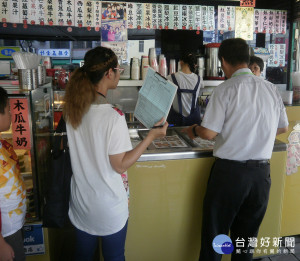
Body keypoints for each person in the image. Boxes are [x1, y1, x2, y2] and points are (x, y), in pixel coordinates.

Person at [183, 38, 289, 261]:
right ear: (248, 59)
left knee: (217, 237)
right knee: (245, 242)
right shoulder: (270, 88)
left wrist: (194, 129)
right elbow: (282, 128)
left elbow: (209, 133)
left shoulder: (225, 89)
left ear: (223, 61)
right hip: (261, 177)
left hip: (230, 176)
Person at [63, 46, 167, 261]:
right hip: (108, 207)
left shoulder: (72, 109)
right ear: (109, 73)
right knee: (115, 257)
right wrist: (150, 137)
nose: (119, 73)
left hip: (81, 204)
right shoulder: (113, 116)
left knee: (82, 256)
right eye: (118, 69)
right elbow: (119, 165)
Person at [0, 87, 26, 261]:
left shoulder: (3, 145)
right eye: (8, 111)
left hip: (14, 226)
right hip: (6, 233)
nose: (11, 115)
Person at [167, 53, 203, 126]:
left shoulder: (170, 78)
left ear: (181, 62)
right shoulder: (199, 79)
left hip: (176, 123)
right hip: (193, 124)